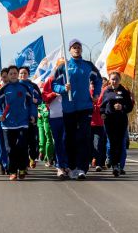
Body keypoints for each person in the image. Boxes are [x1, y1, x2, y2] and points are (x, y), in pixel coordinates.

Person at [52, 39, 102, 180]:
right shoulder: (63, 67)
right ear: (70, 50)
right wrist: (63, 88)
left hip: (85, 107)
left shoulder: (88, 65)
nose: (77, 49)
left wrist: (96, 93)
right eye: (74, 47)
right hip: (69, 107)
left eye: (79, 47)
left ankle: (82, 168)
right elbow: (54, 84)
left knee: (84, 137)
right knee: (70, 138)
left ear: (81, 49)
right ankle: (72, 166)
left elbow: (97, 79)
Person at [0, 65, 36, 181]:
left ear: (18, 74)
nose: (13, 75)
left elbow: (31, 103)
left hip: (22, 122)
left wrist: (32, 115)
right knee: (10, 149)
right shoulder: (4, 89)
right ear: (7, 75)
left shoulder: (24, 87)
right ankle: (12, 171)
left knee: (21, 146)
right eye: (11, 73)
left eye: (15, 73)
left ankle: (22, 168)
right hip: (7, 124)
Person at [100, 71, 134, 177]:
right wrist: (102, 114)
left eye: (116, 79)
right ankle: (114, 163)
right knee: (112, 143)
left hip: (121, 121)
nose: (114, 81)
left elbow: (129, 106)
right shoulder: (106, 91)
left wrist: (122, 108)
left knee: (119, 144)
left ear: (120, 80)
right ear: (109, 80)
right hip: (109, 121)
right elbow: (102, 106)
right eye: (112, 79)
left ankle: (117, 165)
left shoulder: (124, 91)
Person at [18, 66, 42, 169]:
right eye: (21, 73)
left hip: (32, 116)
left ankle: (32, 157)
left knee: (32, 140)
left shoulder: (33, 86)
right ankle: (24, 163)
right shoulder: (16, 85)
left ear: (28, 74)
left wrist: (36, 101)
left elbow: (41, 100)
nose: (23, 75)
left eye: (25, 73)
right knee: (22, 141)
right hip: (20, 117)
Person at [90, 81, 107, 172]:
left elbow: (104, 105)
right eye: (92, 84)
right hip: (88, 123)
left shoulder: (102, 93)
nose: (93, 86)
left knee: (98, 144)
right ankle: (89, 160)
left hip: (99, 123)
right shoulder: (87, 93)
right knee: (88, 144)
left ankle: (99, 163)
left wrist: (98, 105)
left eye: (94, 84)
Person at [37, 101, 54, 167]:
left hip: (49, 116)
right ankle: (42, 151)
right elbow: (34, 101)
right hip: (41, 119)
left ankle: (49, 158)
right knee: (42, 140)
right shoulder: (38, 91)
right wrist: (38, 110)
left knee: (50, 139)